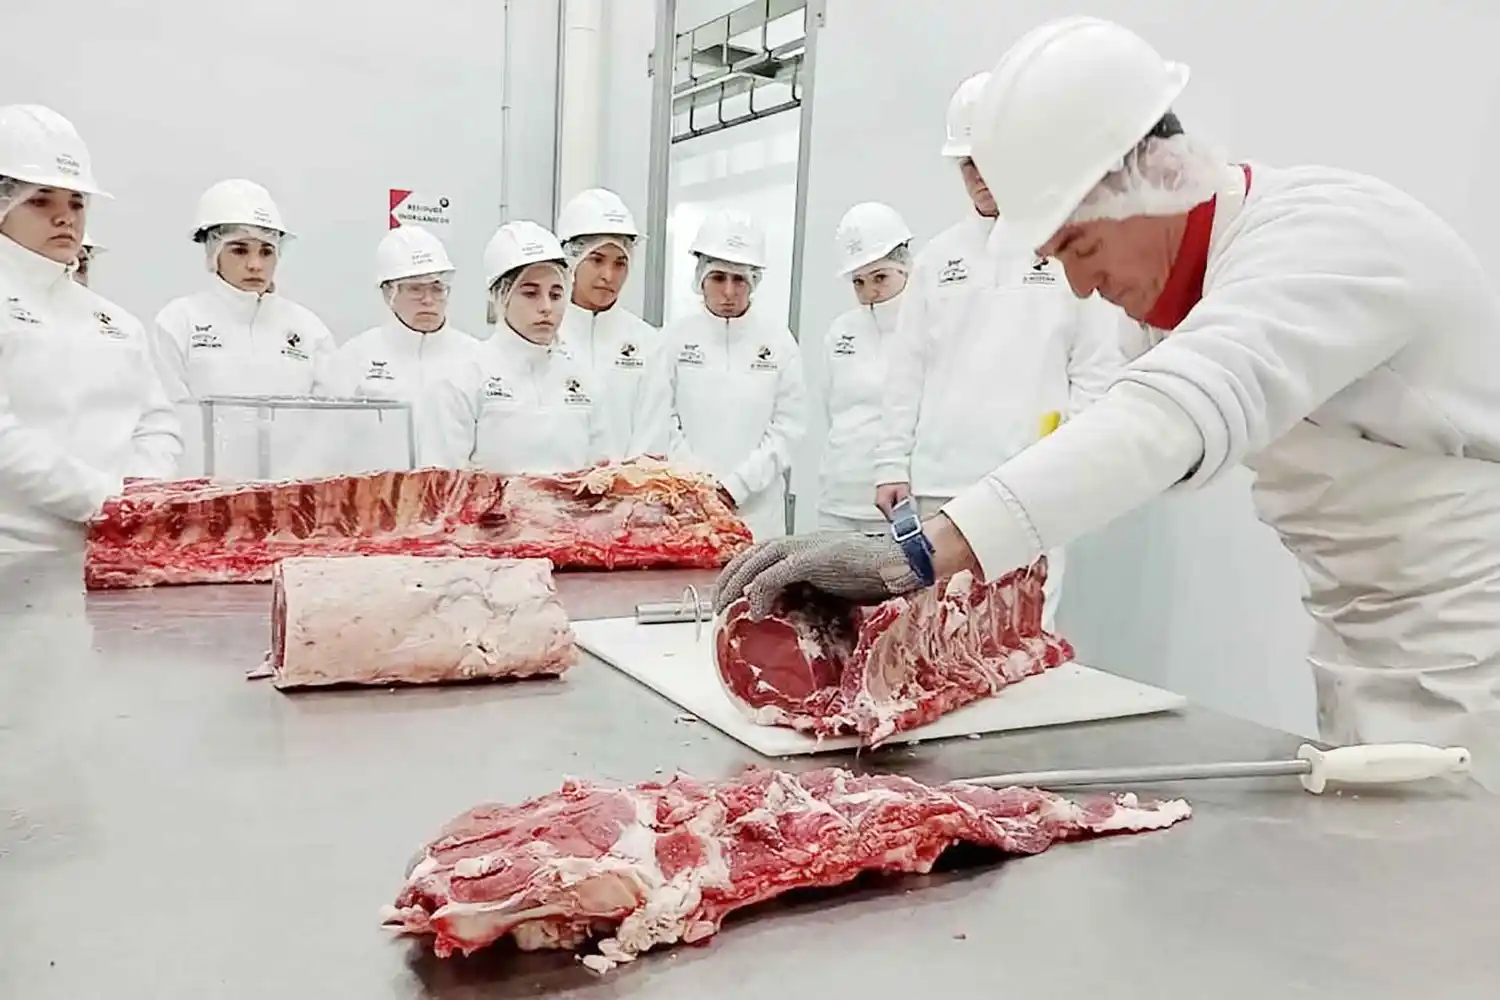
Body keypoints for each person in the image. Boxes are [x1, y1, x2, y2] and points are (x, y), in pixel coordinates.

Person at [717, 15, 1500, 779]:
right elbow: (1119, 434)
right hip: (1355, 630)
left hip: (1470, 630)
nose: (1084, 284)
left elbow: (1167, 417)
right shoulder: (1172, 303)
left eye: (1082, 247)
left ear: (1155, 182)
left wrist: (918, 555)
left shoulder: (1323, 240)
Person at [871, 69, 1122, 624]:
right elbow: (906, 368)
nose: (979, 176)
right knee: (934, 638)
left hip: (1031, 490)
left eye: (988, 158)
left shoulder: (1066, 248)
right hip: (941, 487)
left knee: (1020, 637)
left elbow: (1097, 372)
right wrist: (892, 463)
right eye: (966, 164)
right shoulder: (938, 259)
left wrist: (1063, 469)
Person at [0, 104, 180, 551]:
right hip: (14, 553)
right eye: (41, 200)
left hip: (117, 547)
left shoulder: (116, 322)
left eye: (76, 201)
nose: (66, 217)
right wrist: (103, 500)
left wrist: (140, 496)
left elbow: (156, 421)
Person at [152, 178, 335, 479]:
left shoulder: (309, 330)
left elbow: (329, 428)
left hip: (291, 501)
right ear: (213, 254)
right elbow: (167, 422)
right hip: (205, 499)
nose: (255, 264)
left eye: (266, 251)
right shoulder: (178, 321)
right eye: (239, 250)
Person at [421, 220, 608, 474]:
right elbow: (440, 487)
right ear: (502, 296)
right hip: (486, 514)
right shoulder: (463, 377)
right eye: (530, 293)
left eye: (556, 294)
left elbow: (600, 477)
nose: (546, 307)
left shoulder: (582, 377)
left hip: (569, 514)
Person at [666, 208, 806, 540]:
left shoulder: (778, 342)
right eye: (718, 278)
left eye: (739, 279)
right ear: (700, 278)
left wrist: (738, 486)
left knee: (758, 591)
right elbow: (661, 419)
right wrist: (698, 484)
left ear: (753, 280)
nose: (729, 292)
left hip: (761, 516)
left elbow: (789, 427)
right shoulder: (673, 339)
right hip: (689, 507)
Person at [313, 225, 477, 473]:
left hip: (455, 506)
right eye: (415, 288)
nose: (429, 300)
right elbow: (326, 446)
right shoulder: (354, 359)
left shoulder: (475, 357)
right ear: (388, 292)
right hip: (376, 505)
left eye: (436, 287)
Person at [555, 188, 673, 460]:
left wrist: (624, 496)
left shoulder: (647, 343)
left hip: (628, 498)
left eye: (620, 263)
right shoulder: (545, 334)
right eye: (596, 260)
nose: (609, 276)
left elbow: (652, 437)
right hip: (551, 495)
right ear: (571, 260)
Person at [817, 202, 913, 534]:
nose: (869, 291)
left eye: (880, 277)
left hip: (897, 506)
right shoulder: (840, 332)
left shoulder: (926, 327)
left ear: (905, 267)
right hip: (837, 501)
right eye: (858, 282)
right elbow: (831, 410)